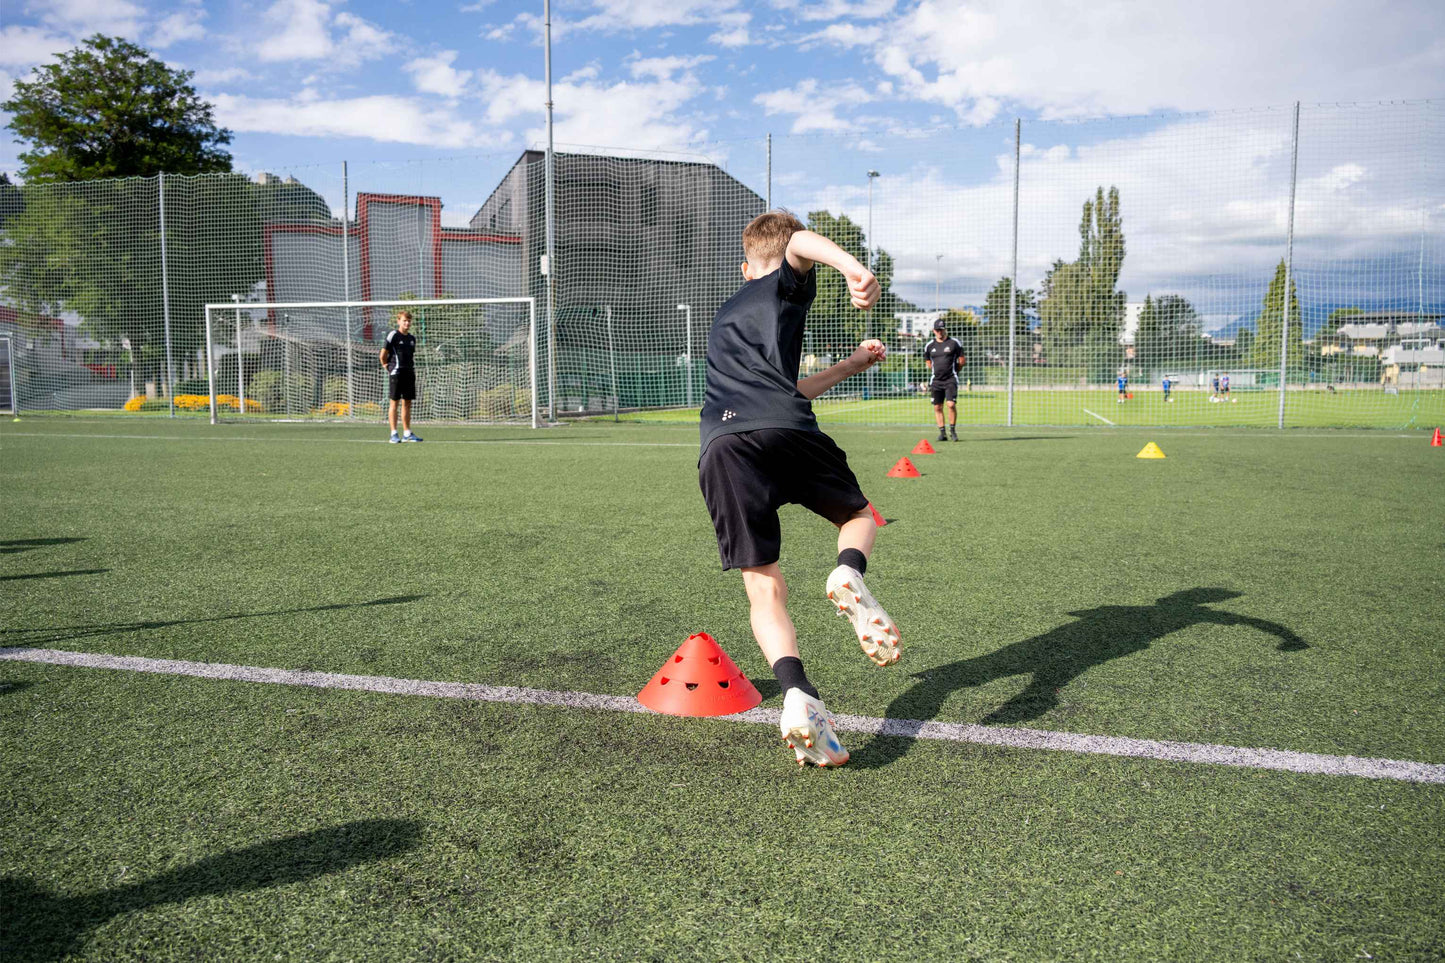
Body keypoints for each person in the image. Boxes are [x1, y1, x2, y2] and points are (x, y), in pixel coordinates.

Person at [697, 210, 900, 769]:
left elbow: (790, 385)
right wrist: (856, 271)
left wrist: (850, 365)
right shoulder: (780, 284)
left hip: (720, 445)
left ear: (743, 267)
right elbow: (803, 243)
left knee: (763, 589)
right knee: (859, 517)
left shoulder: (726, 315)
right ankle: (848, 572)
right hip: (783, 427)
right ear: (776, 264)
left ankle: (795, 694)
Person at [380, 311, 422, 443]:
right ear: (399, 321)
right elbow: (383, 354)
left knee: (407, 403)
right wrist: (387, 366)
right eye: (404, 320)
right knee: (394, 403)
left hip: (409, 373)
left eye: (409, 321)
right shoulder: (393, 335)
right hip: (396, 373)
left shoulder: (412, 339)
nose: (407, 323)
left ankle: (407, 433)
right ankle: (393, 434)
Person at [922, 320, 964, 441]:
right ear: (934, 331)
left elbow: (961, 360)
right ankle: (942, 433)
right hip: (936, 381)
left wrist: (955, 370)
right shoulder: (929, 346)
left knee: (951, 404)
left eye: (942, 329)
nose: (940, 332)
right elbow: (928, 362)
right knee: (937, 407)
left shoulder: (954, 343)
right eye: (937, 330)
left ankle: (952, 431)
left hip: (950, 379)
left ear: (945, 329)